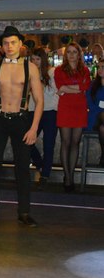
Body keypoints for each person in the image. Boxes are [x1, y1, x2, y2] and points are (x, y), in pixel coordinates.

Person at [0, 26, 43, 228]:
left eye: (13, 42)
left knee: (23, 167)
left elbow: (39, 101)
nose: (9, 46)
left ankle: (24, 212)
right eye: (6, 43)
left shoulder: (30, 68)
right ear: (1, 46)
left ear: (20, 44)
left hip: (21, 119)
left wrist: (34, 128)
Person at [54, 42, 90, 193]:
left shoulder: (85, 70)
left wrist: (68, 88)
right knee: (65, 142)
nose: (71, 55)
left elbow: (85, 86)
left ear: (79, 54)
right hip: (65, 108)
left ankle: (72, 175)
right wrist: (77, 89)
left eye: (74, 52)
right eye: (69, 52)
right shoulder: (59, 70)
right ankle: (67, 177)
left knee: (75, 143)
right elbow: (60, 87)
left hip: (80, 109)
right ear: (65, 54)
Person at [29, 47, 59, 190]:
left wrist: (39, 82)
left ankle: (45, 174)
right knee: (27, 140)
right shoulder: (29, 72)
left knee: (49, 144)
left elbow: (54, 91)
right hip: (33, 110)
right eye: (33, 59)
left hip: (50, 111)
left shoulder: (52, 72)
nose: (35, 62)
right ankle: (40, 164)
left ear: (43, 60)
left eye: (38, 59)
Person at [87, 59, 104, 166]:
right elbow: (90, 104)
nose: (100, 69)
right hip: (95, 118)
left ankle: (103, 156)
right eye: (99, 67)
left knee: (103, 128)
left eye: (103, 67)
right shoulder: (93, 85)